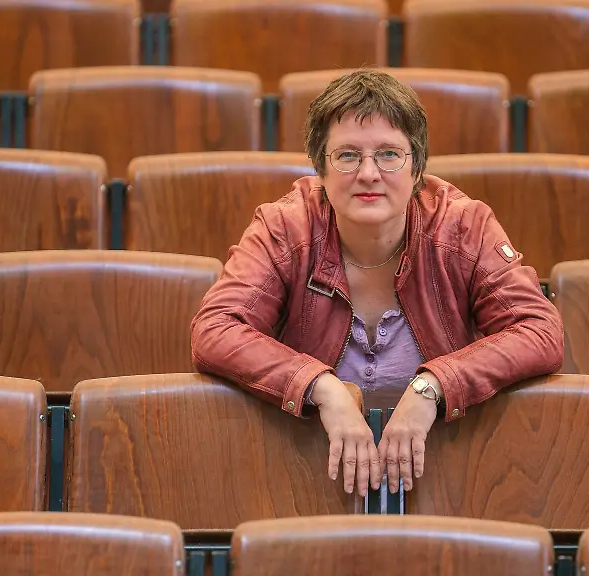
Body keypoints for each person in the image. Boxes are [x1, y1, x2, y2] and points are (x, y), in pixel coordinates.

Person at [191, 69, 564, 499]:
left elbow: (540, 330)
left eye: (389, 154)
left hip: (444, 481)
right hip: (310, 481)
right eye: (347, 155)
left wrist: (433, 386)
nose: (369, 173)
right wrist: (321, 386)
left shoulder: (463, 227)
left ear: (417, 167)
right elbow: (215, 328)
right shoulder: (285, 227)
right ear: (320, 169)